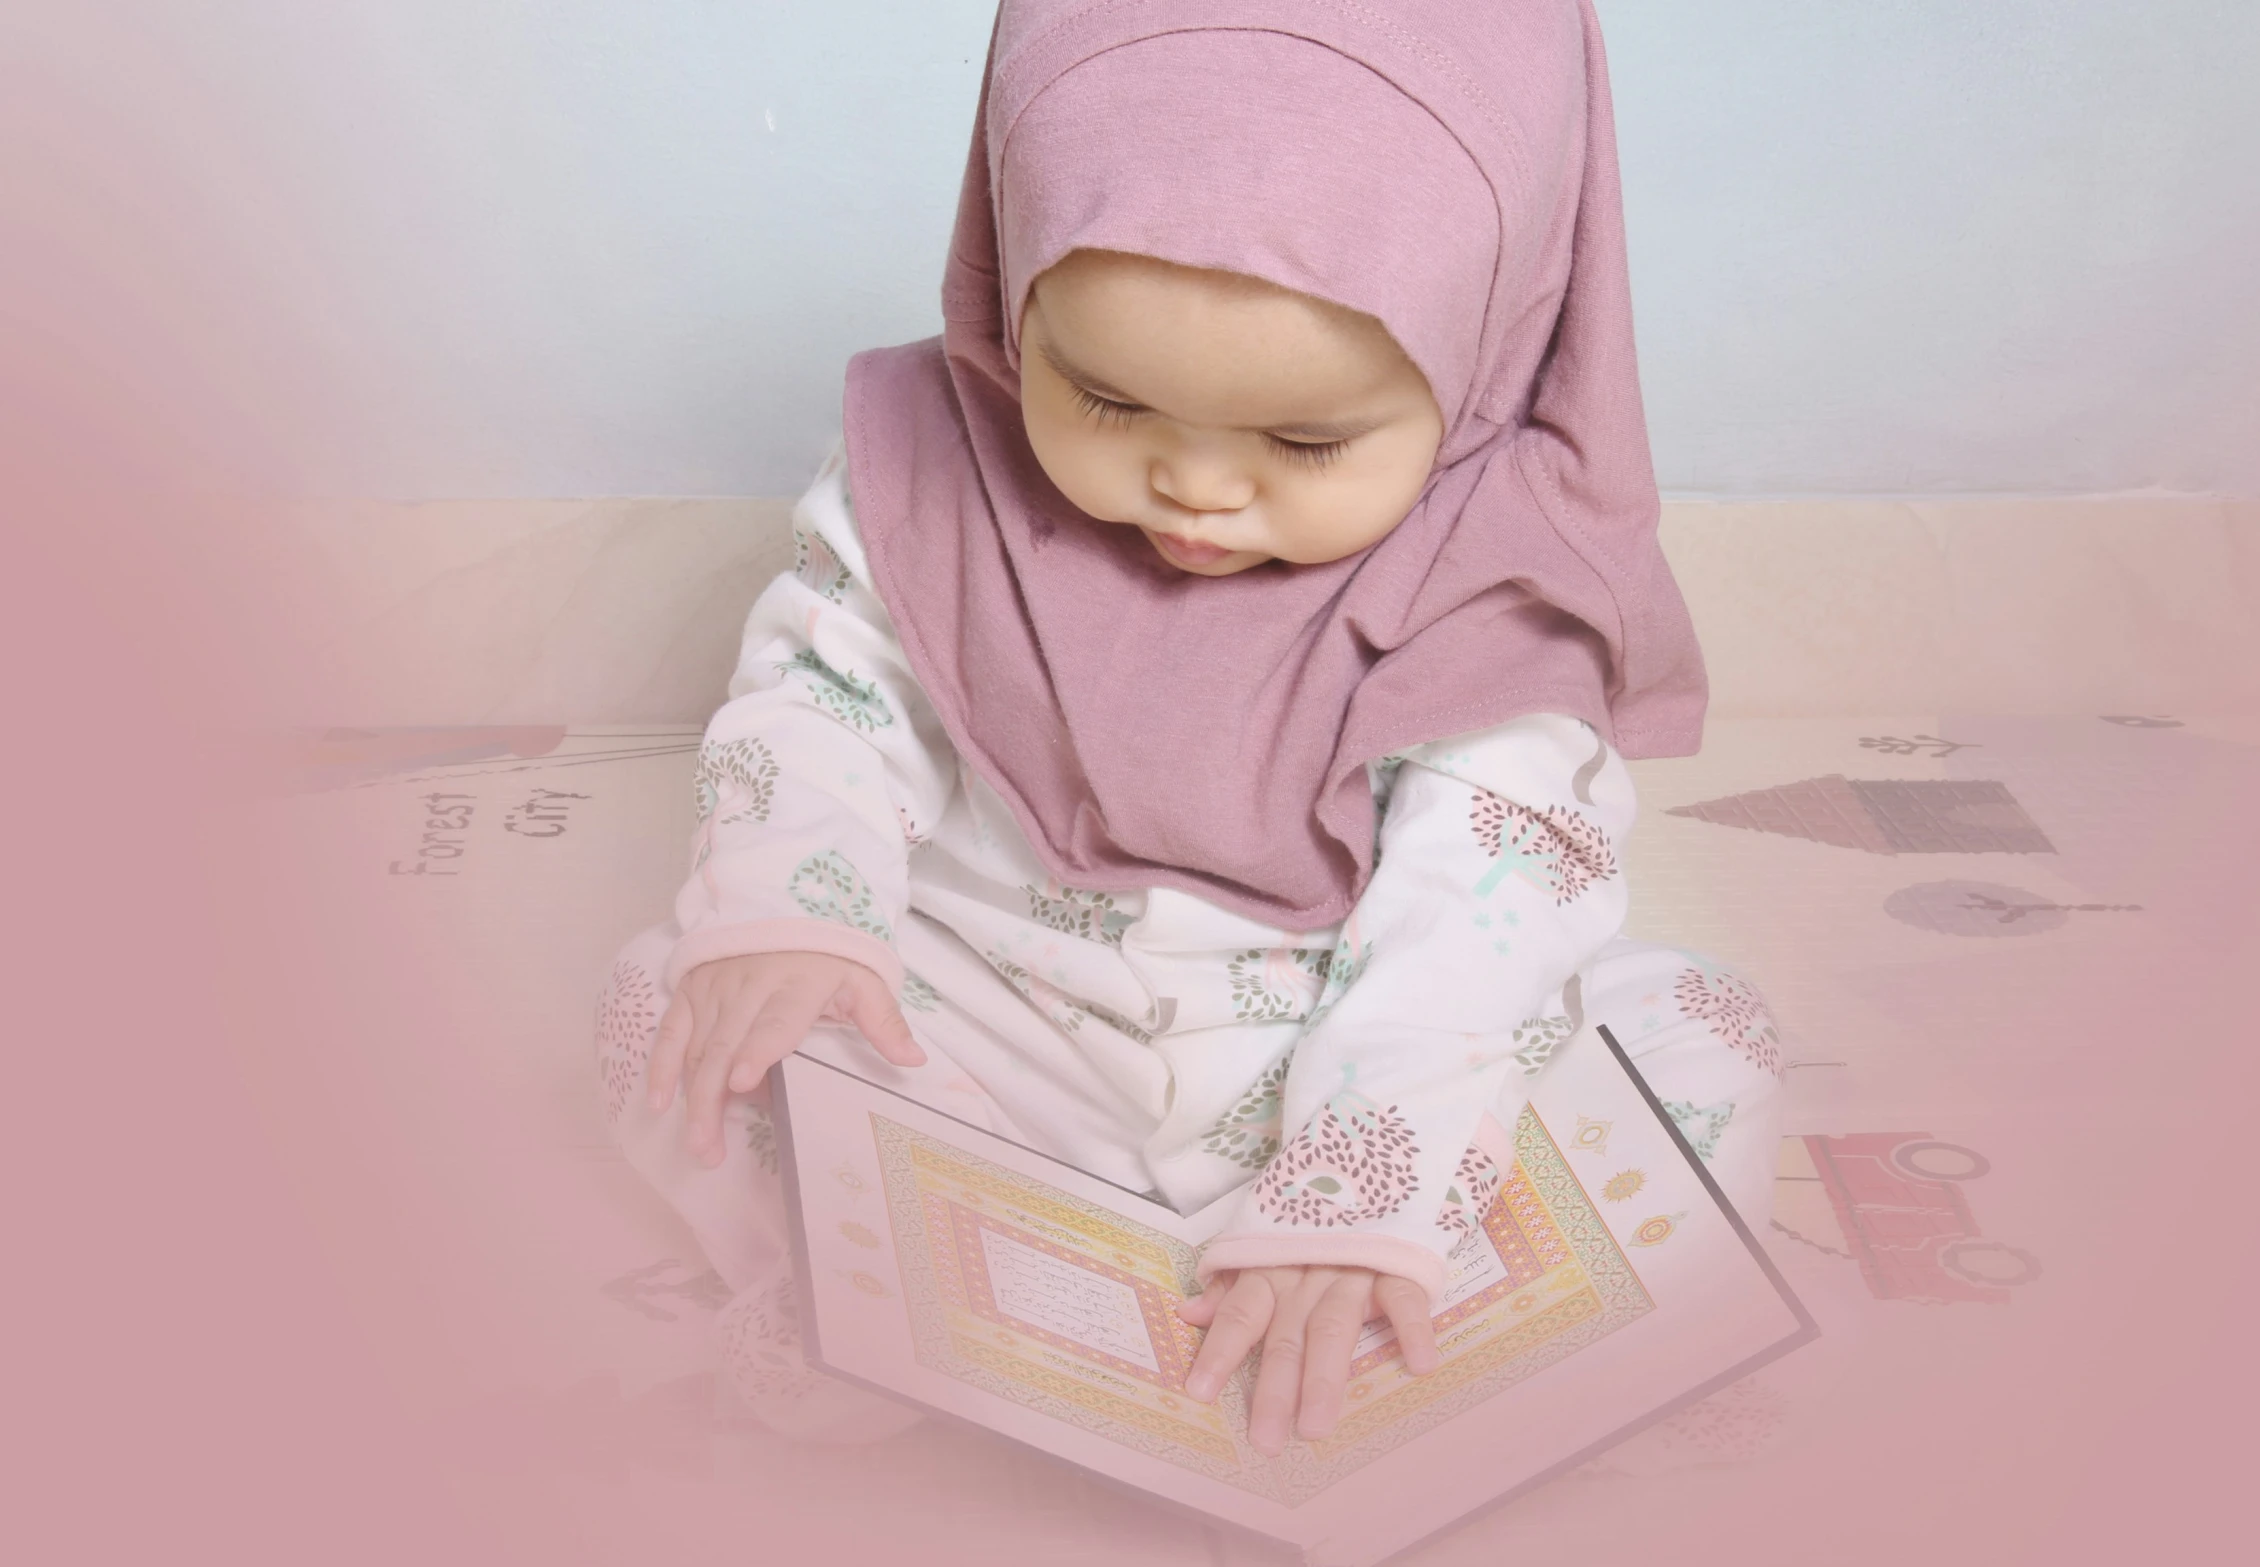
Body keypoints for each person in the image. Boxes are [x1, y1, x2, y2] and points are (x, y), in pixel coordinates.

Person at [595, 0, 1785, 1458]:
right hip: (995, 1028)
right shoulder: (934, 461)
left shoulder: (1504, 560)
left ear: (1482, 345)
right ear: (1010, 274)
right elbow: (827, 697)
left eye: (1303, 442)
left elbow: (1478, 917)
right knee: (679, 1004)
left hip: (1334, 1043)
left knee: (1697, 1052)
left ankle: (1307, 1333)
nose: (1195, 490)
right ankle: (950, 1321)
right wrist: (794, 913)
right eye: (1102, 398)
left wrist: (1357, 1187)